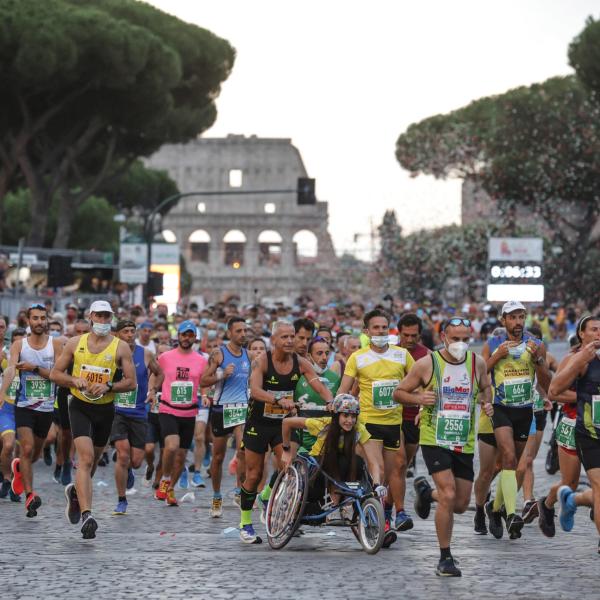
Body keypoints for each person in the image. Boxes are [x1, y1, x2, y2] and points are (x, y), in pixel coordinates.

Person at [394, 317, 493, 577]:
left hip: (464, 439)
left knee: (460, 504)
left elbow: (485, 388)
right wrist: (418, 398)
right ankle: (445, 558)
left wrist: (486, 403)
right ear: (443, 338)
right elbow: (399, 392)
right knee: (448, 494)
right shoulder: (427, 364)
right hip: (434, 438)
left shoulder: (477, 363)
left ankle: (427, 494)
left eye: (465, 338)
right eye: (455, 338)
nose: (460, 343)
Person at [239, 321, 333, 544]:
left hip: (283, 424)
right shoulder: (262, 361)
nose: (290, 341)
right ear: (274, 340)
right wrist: (277, 400)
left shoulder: (300, 362)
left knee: (288, 466)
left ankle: (266, 497)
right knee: (253, 474)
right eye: (285, 337)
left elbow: (317, 384)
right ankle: (245, 523)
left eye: (293, 336)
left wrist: (331, 401)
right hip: (258, 423)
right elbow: (255, 390)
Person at [50, 300, 137, 539]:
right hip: (79, 406)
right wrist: (74, 381)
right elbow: (55, 374)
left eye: (107, 316)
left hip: (105, 409)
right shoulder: (75, 344)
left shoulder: (120, 347)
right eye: (98, 316)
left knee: (95, 460)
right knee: (85, 459)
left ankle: (77, 495)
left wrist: (109, 385)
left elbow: (131, 382)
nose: (102, 321)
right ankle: (88, 515)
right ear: (90, 317)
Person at [337, 308, 414, 536]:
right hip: (367, 422)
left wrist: (418, 399)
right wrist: (336, 404)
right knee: (377, 471)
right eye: (376, 328)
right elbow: (344, 388)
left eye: (384, 327)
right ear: (367, 331)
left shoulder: (402, 355)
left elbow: (418, 381)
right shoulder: (358, 357)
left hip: (393, 422)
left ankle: (389, 516)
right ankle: (377, 519)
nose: (381, 331)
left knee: (395, 470)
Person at [482, 301, 550, 540]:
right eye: (512, 318)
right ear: (503, 321)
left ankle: (495, 507)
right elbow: (480, 374)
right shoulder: (492, 344)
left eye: (521, 317)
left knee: (514, 464)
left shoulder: (536, 345)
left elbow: (546, 383)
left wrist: (538, 362)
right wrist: (497, 356)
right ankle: (512, 514)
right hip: (501, 409)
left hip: (525, 409)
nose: (518, 322)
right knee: (508, 457)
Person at [0, 303, 63, 518]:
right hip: (24, 406)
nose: (39, 322)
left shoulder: (55, 345)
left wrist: (35, 368)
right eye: (35, 318)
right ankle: (30, 495)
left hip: (46, 408)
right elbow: (10, 369)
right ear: (28, 321)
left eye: (42, 318)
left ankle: (18, 468)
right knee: (26, 450)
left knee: (34, 454)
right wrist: (3, 392)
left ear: (46, 320)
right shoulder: (19, 345)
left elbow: (57, 375)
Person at [548, 314, 600, 552]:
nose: (599, 333)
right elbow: (554, 390)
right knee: (586, 483)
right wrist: (580, 363)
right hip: (586, 432)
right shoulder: (576, 358)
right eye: (594, 329)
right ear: (582, 334)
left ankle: (572, 499)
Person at [281, 394, 384, 510]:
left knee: (358, 462)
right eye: (345, 415)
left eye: (353, 416)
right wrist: (286, 450)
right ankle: (334, 502)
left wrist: (377, 485)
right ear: (336, 415)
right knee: (340, 462)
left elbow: (373, 462)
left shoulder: (358, 429)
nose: (350, 421)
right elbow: (287, 423)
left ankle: (358, 504)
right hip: (318, 467)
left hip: (341, 468)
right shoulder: (323, 425)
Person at [110, 320, 163, 515]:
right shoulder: (110, 352)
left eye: (133, 331)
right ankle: (121, 499)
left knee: (136, 461)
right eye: (126, 331)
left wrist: (153, 391)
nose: (130, 334)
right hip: (117, 412)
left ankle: (130, 470)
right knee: (123, 455)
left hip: (139, 411)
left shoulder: (146, 354)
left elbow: (159, 373)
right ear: (117, 335)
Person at [200, 317, 250, 518]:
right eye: (238, 331)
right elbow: (203, 379)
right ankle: (217, 495)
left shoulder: (249, 355)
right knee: (219, 457)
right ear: (230, 333)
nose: (243, 334)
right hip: (221, 409)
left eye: (244, 330)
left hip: (241, 409)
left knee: (243, 451)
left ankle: (239, 491)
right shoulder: (219, 354)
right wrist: (222, 375)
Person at [155, 320, 207, 506]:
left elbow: (205, 382)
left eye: (190, 335)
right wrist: (152, 391)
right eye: (183, 334)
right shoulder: (165, 357)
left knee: (181, 456)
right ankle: (165, 479)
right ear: (178, 336)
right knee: (171, 447)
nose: (186, 338)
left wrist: (206, 395)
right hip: (168, 408)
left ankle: (170, 489)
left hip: (189, 412)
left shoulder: (201, 360)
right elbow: (155, 374)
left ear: (195, 337)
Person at [398, 313, 430, 480]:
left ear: (420, 335)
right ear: (399, 333)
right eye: (406, 335)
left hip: (415, 417)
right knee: (398, 460)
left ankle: (389, 499)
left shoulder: (428, 356)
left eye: (414, 336)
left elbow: (432, 387)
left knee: (404, 465)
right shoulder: (390, 353)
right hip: (393, 416)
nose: (410, 339)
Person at [0, 327, 26, 502]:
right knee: (8, 446)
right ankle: (7, 479)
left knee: (22, 451)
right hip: (7, 410)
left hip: (26, 411)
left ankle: (18, 482)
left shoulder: (34, 365)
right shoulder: (6, 361)